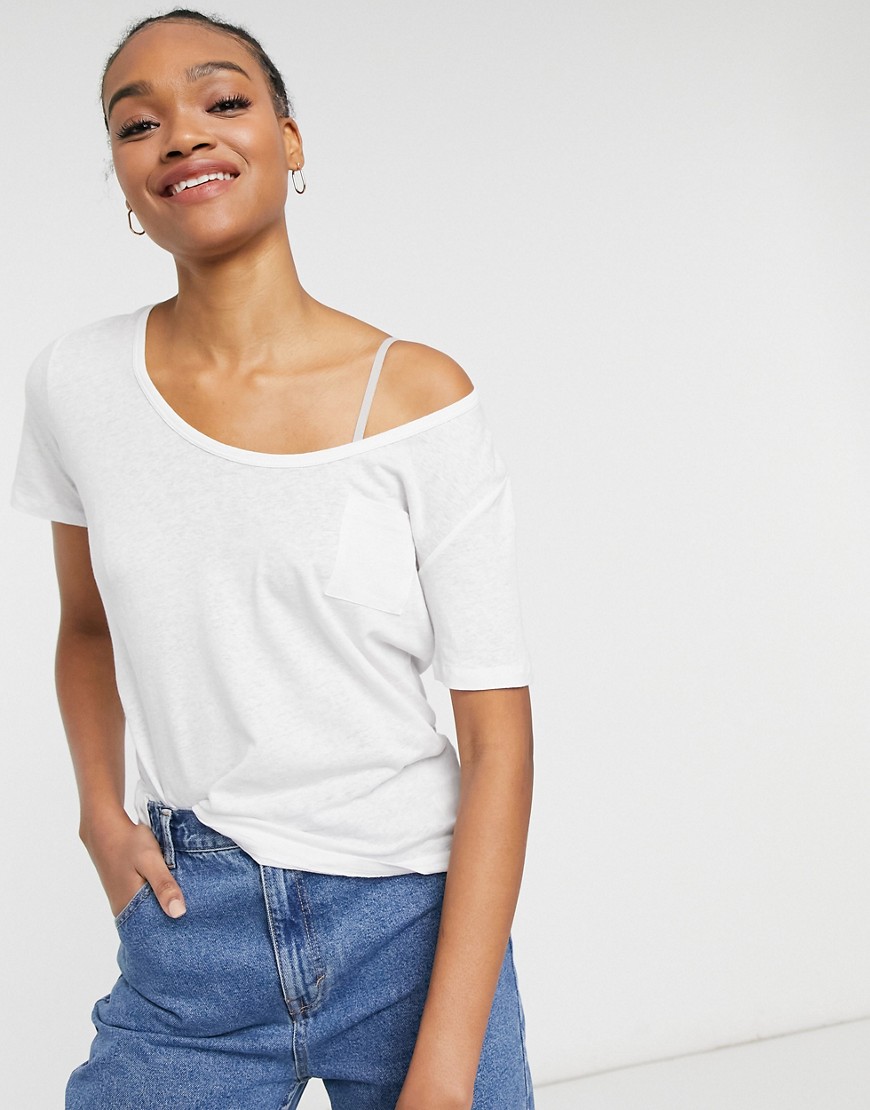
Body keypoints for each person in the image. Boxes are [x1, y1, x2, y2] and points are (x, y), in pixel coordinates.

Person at [10, 8, 535, 1109]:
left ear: (289, 141)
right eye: (137, 123)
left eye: (223, 100)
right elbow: (85, 627)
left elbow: (497, 741)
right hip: (195, 931)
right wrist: (99, 813)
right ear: (125, 182)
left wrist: (446, 1069)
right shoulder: (75, 384)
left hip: (413, 925)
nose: (182, 135)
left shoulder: (420, 398)